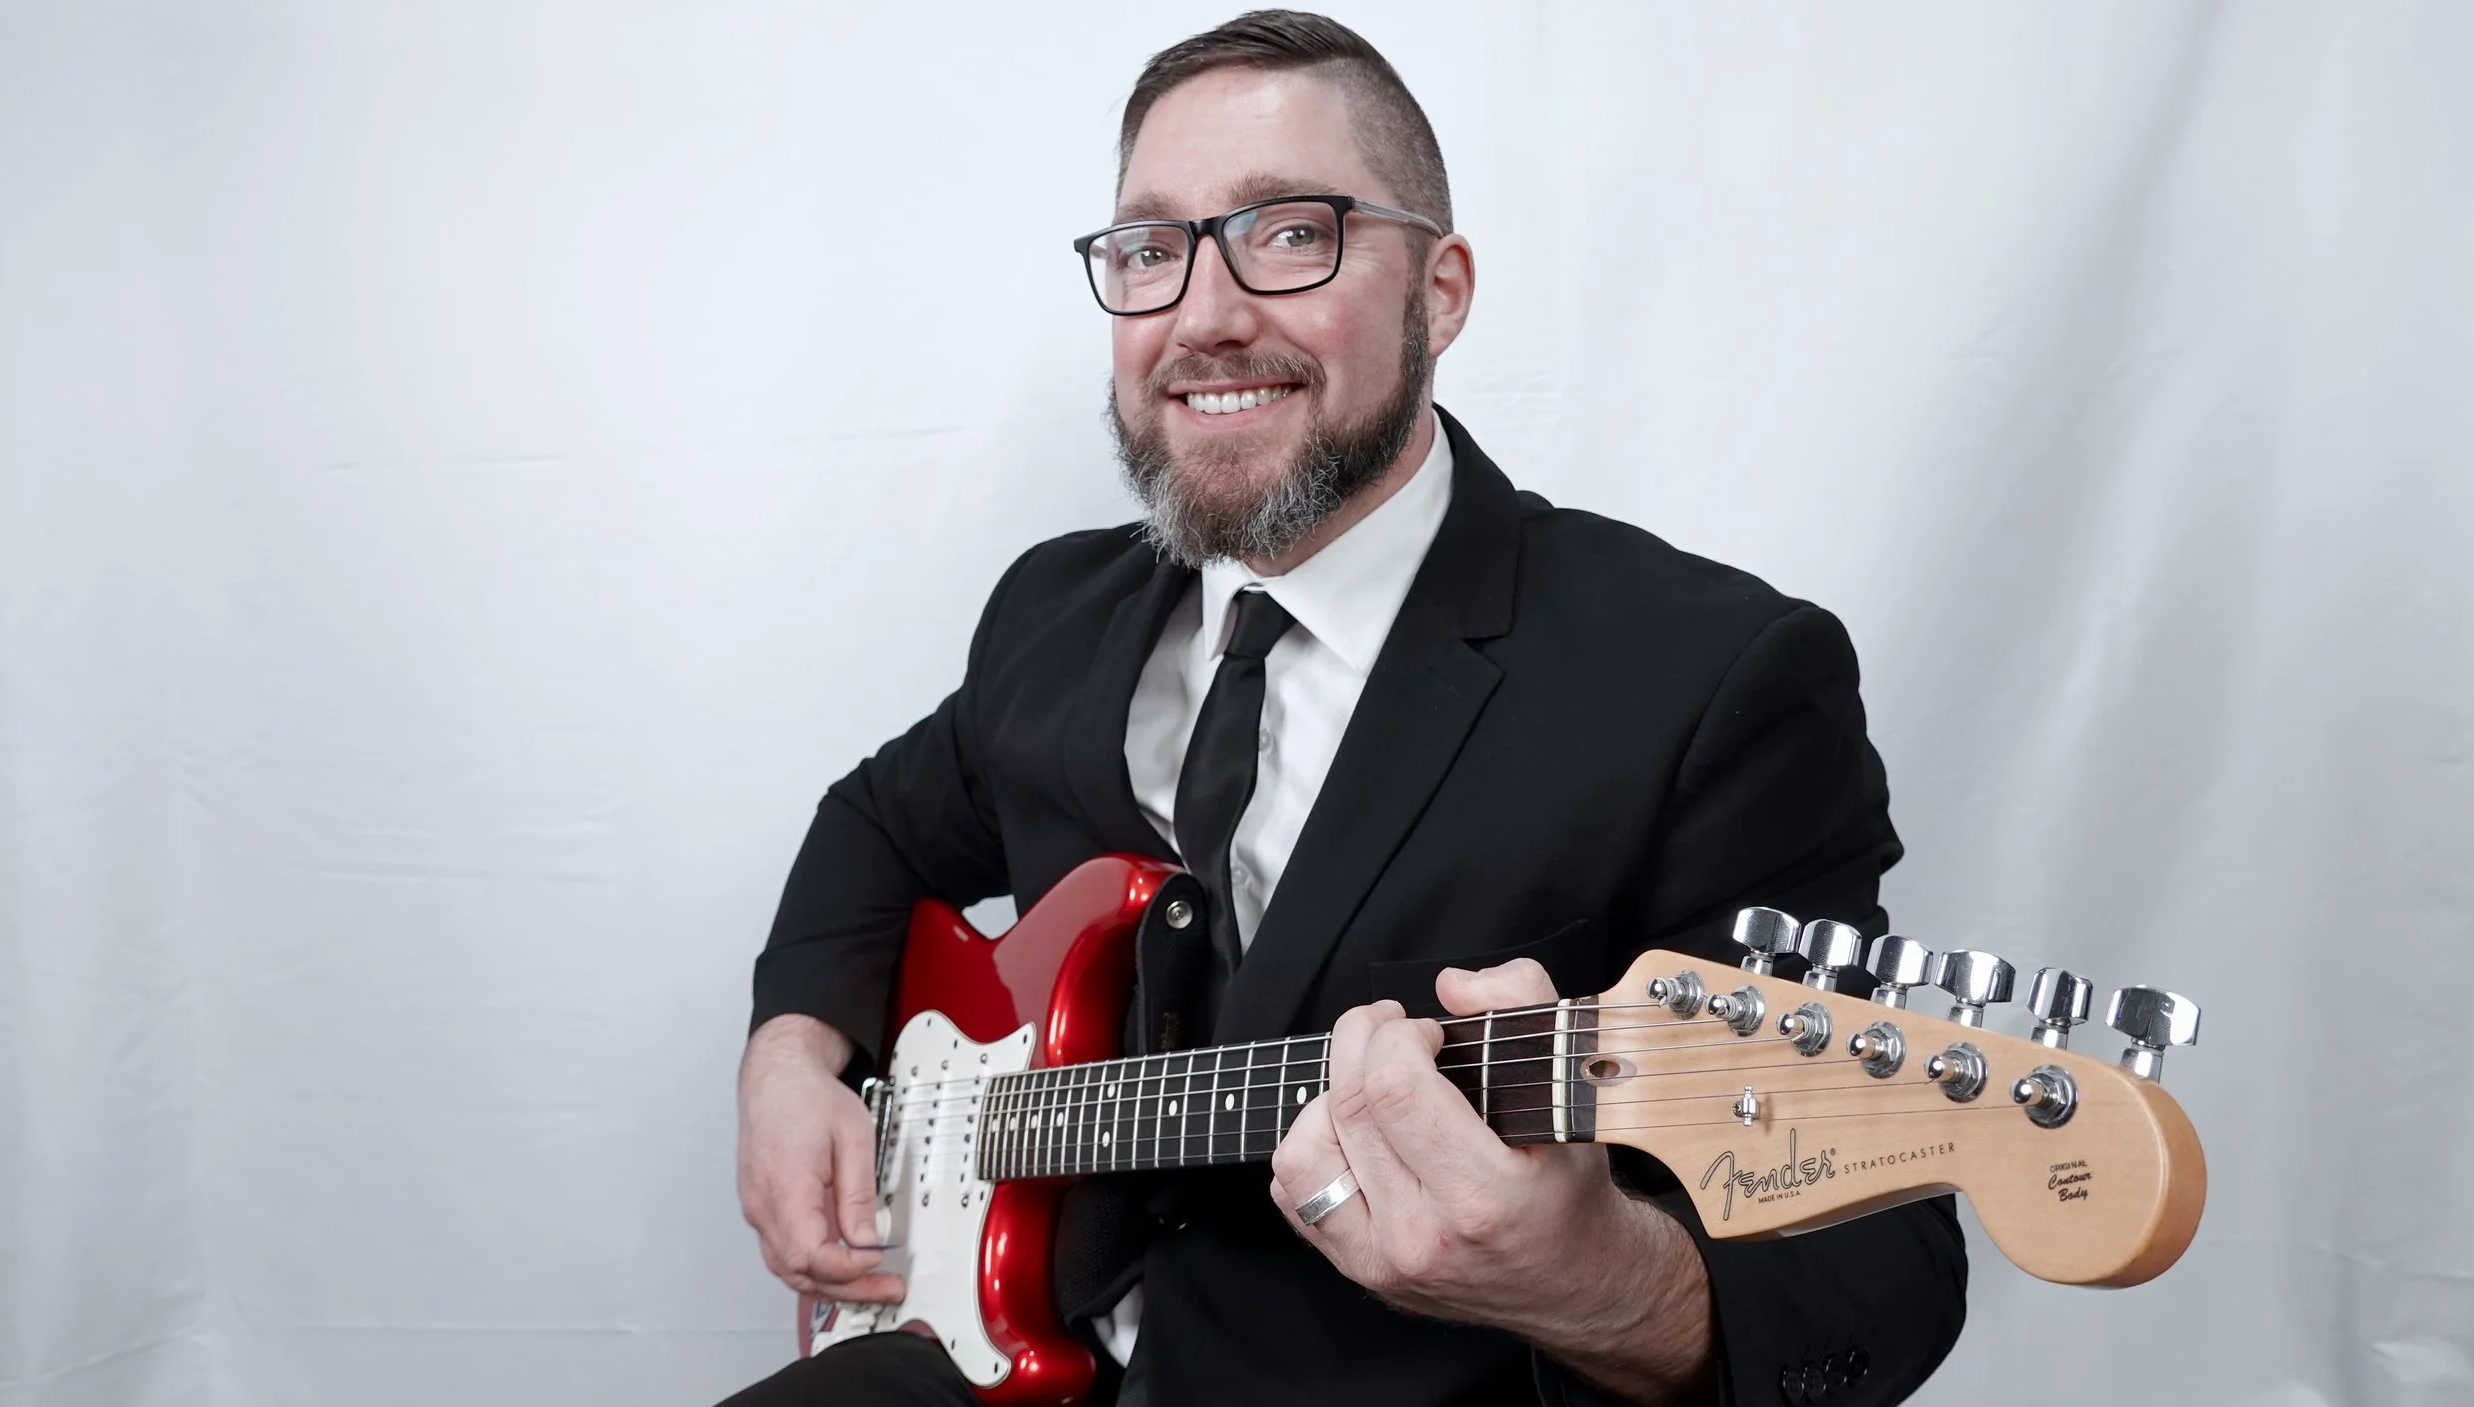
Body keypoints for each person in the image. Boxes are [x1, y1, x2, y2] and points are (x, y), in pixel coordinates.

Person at [721, 11, 1966, 1406]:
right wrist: (794, 1053)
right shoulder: (1051, 615)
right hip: (986, 1362)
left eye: (1289, 231)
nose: (1204, 316)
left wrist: (1599, 1280)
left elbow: (1882, 1274)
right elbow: (877, 823)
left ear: (1440, 291)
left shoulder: (1709, 677)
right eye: (1150, 250)